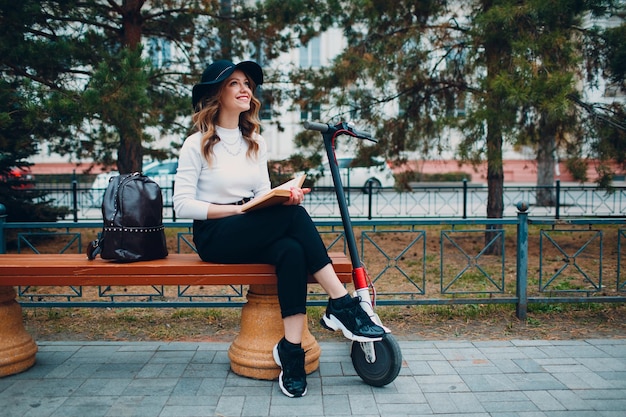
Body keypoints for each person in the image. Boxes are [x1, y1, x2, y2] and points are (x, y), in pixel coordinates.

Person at [173, 59, 385, 398]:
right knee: (296, 221)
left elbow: (260, 194)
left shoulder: (255, 142)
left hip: (250, 226)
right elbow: (181, 205)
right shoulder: (195, 144)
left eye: (247, 84)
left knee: (292, 249)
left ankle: (291, 350)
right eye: (234, 83)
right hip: (215, 236)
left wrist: (282, 198)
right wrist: (237, 209)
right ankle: (342, 303)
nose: (245, 89)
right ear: (216, 93)